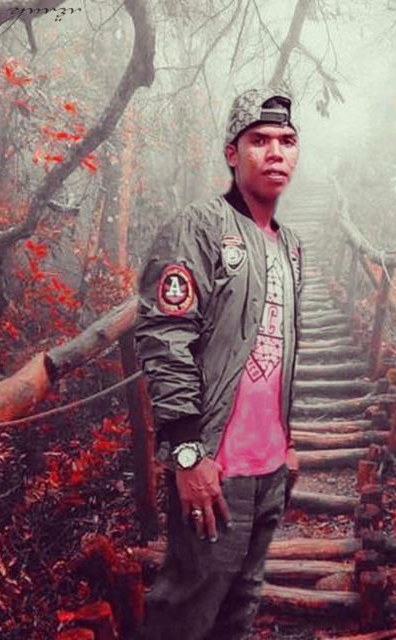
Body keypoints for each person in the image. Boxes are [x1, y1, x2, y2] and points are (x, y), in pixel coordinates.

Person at [134, 86, 303, 640]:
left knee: (241, 605)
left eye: (286, 141)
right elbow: (164, 336)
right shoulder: (198, 227)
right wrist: (187, 454)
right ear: (232, 153)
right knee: (188, 609)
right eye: (259, 140)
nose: (275, 152)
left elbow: (278, 346)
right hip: (214, 464)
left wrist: (287, 441)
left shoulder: (289, 245)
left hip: (270, 470)